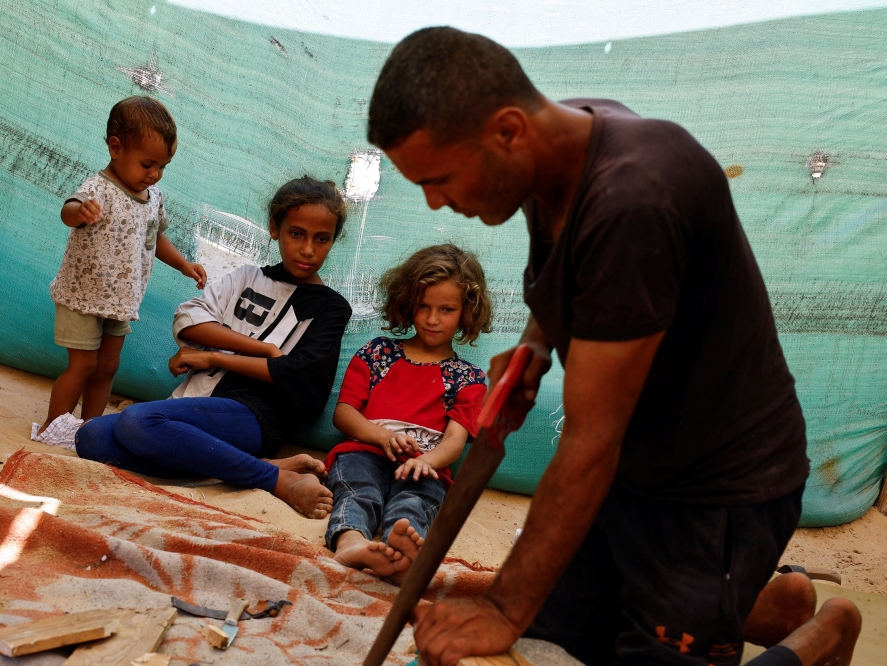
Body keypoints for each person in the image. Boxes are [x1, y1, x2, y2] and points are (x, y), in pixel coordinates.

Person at [364, 27, 862, 666]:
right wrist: (535, 348)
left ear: (509, 131)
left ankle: (818, 636)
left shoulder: (634, 198)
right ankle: (755, 607)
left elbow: (591, 438)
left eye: (439, 179)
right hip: (634, 471)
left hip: (719, 494)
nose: (437, 201)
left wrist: (502, 607)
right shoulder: (562, 146)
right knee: (563, 638)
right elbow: (574, 274)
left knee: (546, 627)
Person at [75, 176, 352, 519]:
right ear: (274, 228)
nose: (308, 249)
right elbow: (189, 319)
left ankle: (274, 479)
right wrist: (260, 348)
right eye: (297, 234)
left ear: (332, 241)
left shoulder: (331, 308)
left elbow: (301, 377)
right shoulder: (247, 277)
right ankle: (249, 466)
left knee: (135, 421)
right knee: (90, 437)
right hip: (198, 403)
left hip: (253, 417)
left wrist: (211, 355)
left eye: (321, 239)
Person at [37, 96, 207, 438]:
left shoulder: (154, 197)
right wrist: (80, 212)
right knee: (83, 364)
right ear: (116, 148)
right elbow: (69, 210)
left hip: (121, 302)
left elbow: (155, 238)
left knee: (107, 366)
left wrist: (184, 265)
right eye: (147, 164)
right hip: (83, 295)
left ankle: (89, 430)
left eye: (162, 167)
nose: (154, 174)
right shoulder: (99, 188)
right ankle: (52, 429)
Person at [324, 244, 491, 581]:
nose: (432, 319)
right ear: (406, 301)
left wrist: (425, 462)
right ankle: (350, 542)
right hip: (364, 452)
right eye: (423, 306)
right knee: (358, 490)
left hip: (423, 467)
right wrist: (381, 436)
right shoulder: (377, 352)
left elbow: (455, 442)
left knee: (416, 503)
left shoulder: (469, 378)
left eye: (446, 309)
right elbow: (344, 414)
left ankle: (403, 557)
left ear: (466, 312)